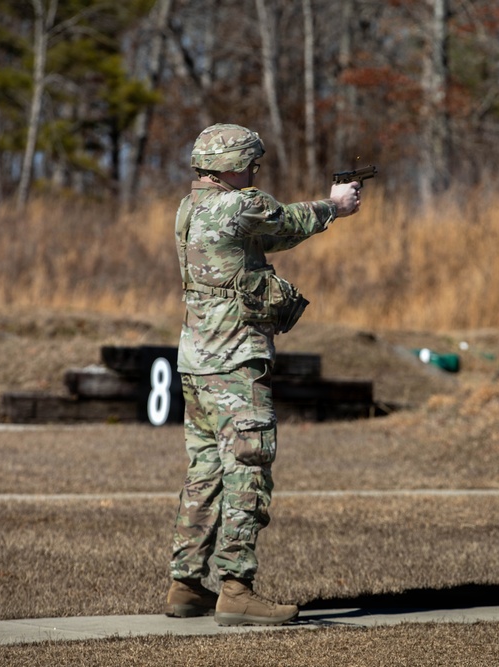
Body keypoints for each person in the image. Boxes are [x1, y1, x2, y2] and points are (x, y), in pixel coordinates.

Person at [163, 123, 362, 626]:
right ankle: (236, 588)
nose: (255, 171)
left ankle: (186, 584)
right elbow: (287, 222)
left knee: (204, 475)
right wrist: (335, 205)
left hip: (196, 362)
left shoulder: (190, 207)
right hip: (233, 364)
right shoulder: (237, 204)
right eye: (250, 163)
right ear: (229, 164)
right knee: (249, 471)